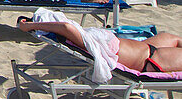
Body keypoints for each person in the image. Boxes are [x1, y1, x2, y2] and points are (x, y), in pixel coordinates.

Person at [17, 17, 182, 74]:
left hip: (144, 48)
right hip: (149, 59)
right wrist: (31, 26)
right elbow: (65, 28)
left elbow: (65, 27)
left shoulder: (84, 38)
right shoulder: (82, 40)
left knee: (169, 37)